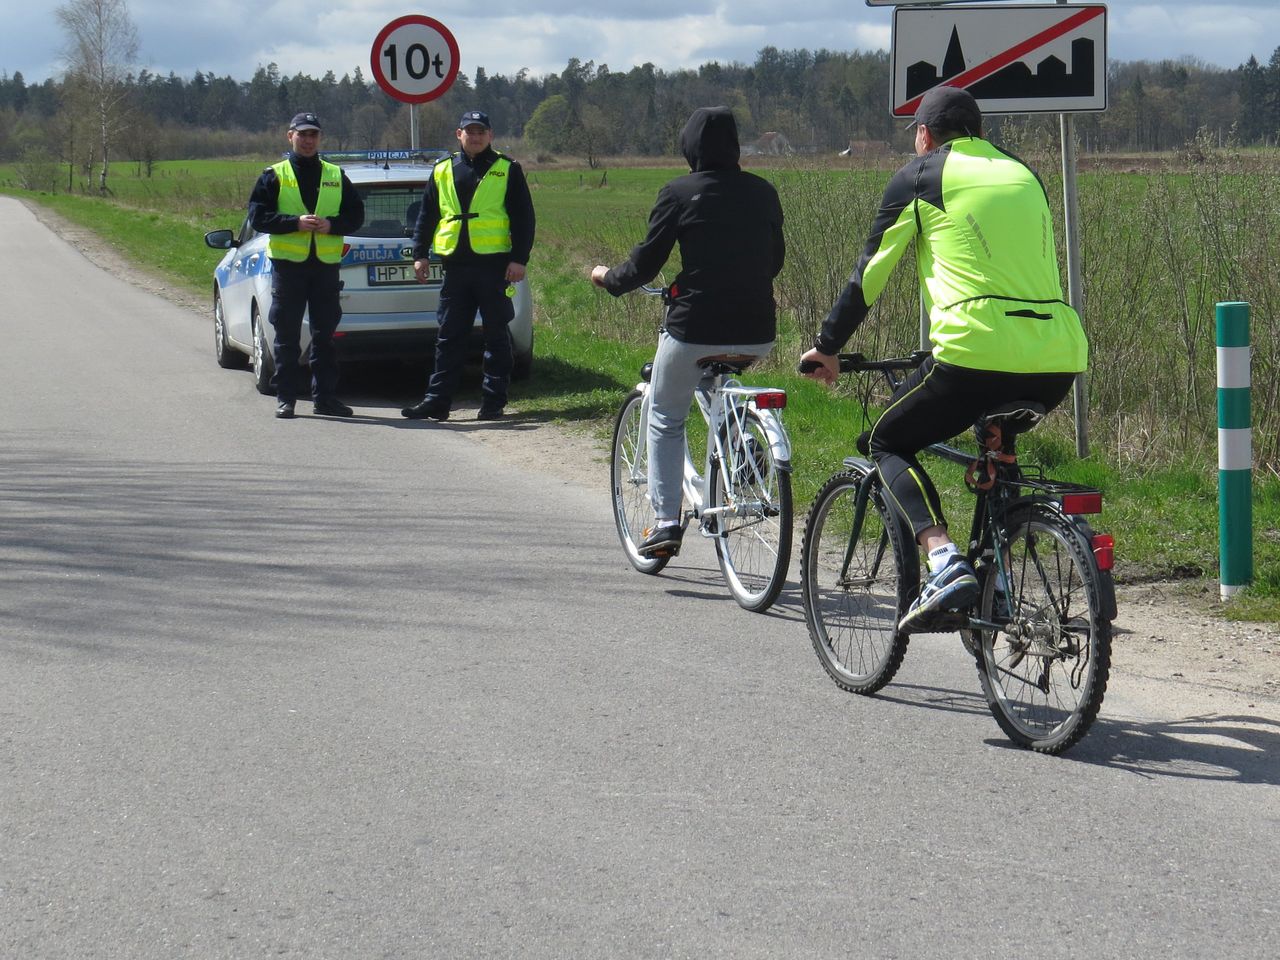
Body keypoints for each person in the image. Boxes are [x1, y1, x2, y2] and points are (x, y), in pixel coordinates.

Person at [799, 85, 1088, 631]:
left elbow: (871, 273)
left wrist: (828, 347)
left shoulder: (922, 175)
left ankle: (943, 559)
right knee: (998, 448)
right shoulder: (1025, 174)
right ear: (977, 131)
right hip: (1057, 357)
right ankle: (998, 588)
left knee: (885, 441)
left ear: (925, 135)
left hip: (973, 351)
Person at [591, 106, 785, 558]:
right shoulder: (763, 192)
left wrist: (607, 278)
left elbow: (644, 265)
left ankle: (665, 521)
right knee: (716, 380)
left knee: (663, 411)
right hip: (759, 329)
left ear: (690, 147)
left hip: (693, 325)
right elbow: (773, 261)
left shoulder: (678, 192)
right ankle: (742, 446)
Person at [402, 110, 536, 422]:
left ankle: (492, 402)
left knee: (496, 336)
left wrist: (520, 259)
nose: (475, 137)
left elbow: (524, 218)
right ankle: (437, 401)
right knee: (449, 337)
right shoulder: (443, 170)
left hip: (494, 266)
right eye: (469, 131)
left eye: (481, 132)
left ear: (490, 135)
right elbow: (427, 216)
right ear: (458, 134)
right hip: (456, 267)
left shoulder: (507, 169)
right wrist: (419, 254)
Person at [247, 111, 365, 419]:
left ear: (319, 138)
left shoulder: (335, 175)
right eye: (302, 135)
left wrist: (333, 225)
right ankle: (285, 397)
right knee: (286, 336)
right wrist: (294, 223)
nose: (308, 140)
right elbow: (258, 217)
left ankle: (325, 398)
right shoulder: (274, 174)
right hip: (289, 268)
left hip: (325, 267)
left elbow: (357, 216)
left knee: (325, 336)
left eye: (313, 135)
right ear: (290, 137)